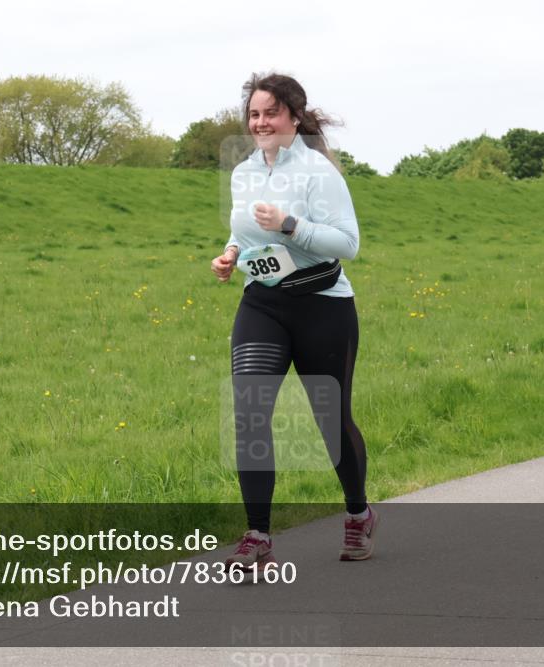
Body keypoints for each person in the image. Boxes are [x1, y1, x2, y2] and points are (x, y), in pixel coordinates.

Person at [210, 72, 376, 567]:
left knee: (331, 419)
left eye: (271, 113)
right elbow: (244, 232)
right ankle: (257, 536)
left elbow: (348, 244)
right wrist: (230, 254)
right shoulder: (243, 172)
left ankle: (358, 512)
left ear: (295, 118)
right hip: (262, 305)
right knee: (249, 412)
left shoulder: (318, 172)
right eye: (254, 114)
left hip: (322, 305)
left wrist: (290, 225)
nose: (260, 123)